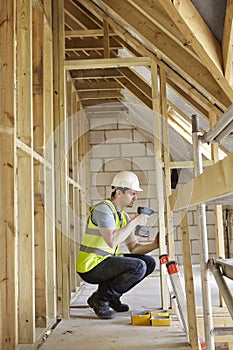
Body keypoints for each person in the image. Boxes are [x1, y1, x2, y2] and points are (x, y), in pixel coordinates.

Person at [76, 171, 159, 319]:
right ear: (119, 193)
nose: (135, 197)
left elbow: (134, 248)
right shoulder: (104, 210)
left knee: (148, 262)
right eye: (132, 193)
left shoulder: (123, 216)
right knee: (138, 266)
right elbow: (112, 240)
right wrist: (135, 221)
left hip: (105, 261)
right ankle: (100, 299)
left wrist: (154, 245)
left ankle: (112, 297)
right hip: (90, 266)